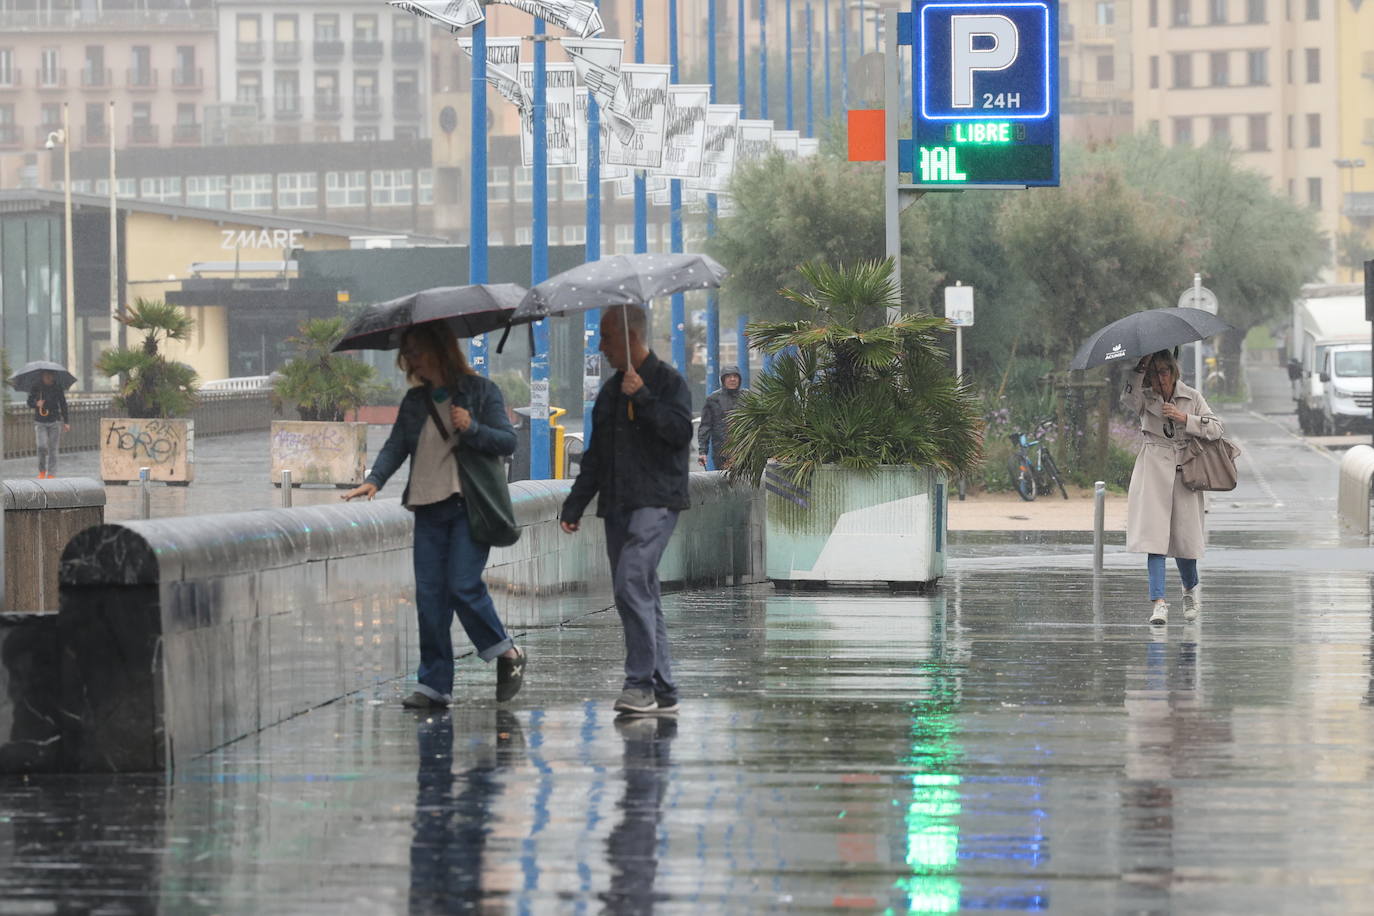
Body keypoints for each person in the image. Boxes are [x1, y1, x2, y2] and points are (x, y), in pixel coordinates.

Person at [342, 322, 526, 709]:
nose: (409, 359)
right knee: (430, 599)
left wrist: (471, 427)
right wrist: (374, 480)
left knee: (462, 585)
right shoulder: (414, 402)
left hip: (467, 506)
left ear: (438, 349)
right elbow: (397, 446)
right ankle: (434, 684)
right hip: (427, 508)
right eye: (406, 353)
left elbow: (506, 441)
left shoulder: (480, 392)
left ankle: (506, 652)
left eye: (415, 350)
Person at [560, 305, 693, 716]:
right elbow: (596, 455)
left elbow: (679, 433)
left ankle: (639, 684)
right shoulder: (608, 392)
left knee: (631, 582)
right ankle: (664, 686)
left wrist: (644, 398)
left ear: (631, 338)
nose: (601, 347)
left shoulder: (667, 382)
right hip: (617, 505)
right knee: (641, 592)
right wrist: (575, 503)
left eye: (606, 337)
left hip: (656, 502)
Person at [1122, 349, 1224, 626]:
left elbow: (1216, 429)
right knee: (1154, 539)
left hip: (1185, 471)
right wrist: (1139, 369)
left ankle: (1190, 591)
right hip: (1154, 470)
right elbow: (1127, 399)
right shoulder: (1145, 397)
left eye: (1163, 372)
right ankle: (1159, 603)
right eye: (1154, 374)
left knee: (1185, 540)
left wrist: (1184, 419)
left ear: (1174, 371)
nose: (1159, 379)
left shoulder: (1191, 396)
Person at [697, 364, 745, 469]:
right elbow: (705, 427)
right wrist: (702, 451)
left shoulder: (747, 397)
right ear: (723, 379)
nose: (732, 379)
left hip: (745, 451)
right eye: (728, 376)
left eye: (735, 376)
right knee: (725, 483)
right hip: (722, 452)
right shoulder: (713, 399)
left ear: (739, 379)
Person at [27, 371, 70, 479]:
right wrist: (36, 404)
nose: (48, 377)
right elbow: (29, 402)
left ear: (53, 376)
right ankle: (42, 471)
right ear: (42, 376)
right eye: (46, 375)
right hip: (40, 421)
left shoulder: (57, 387)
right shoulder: (36, 387)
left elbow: (63, 404)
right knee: (41, 446)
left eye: (50, 375)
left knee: (53, 449)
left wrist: (66, 421)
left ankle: (51, 473)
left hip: (54, 421)